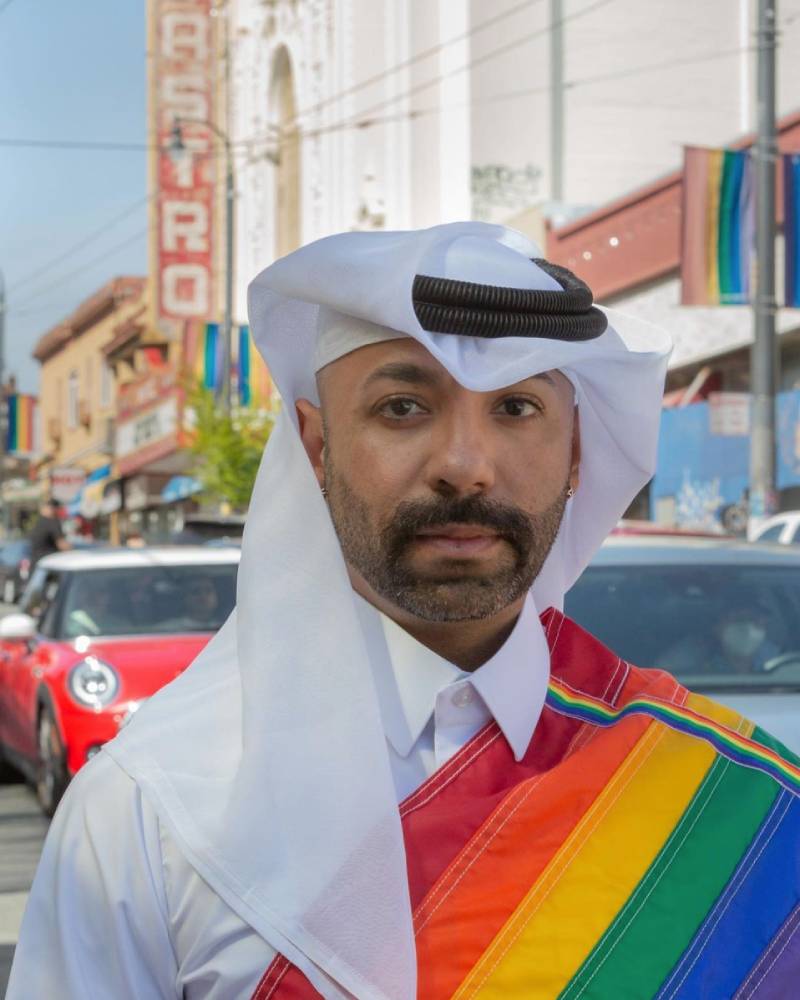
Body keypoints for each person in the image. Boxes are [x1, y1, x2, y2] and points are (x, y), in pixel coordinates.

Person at [9, 224, 800, 999]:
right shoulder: (154, 805)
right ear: (317, 446)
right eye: (402, 407)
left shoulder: (737, 798)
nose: (464, 466)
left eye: (516, 407)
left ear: (576, 452)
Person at [27, 497, 70, 569]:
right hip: (49, 563)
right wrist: (75, 553)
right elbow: (62, 544)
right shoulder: (52, 522)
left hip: (36, 563)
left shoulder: (39, 522)